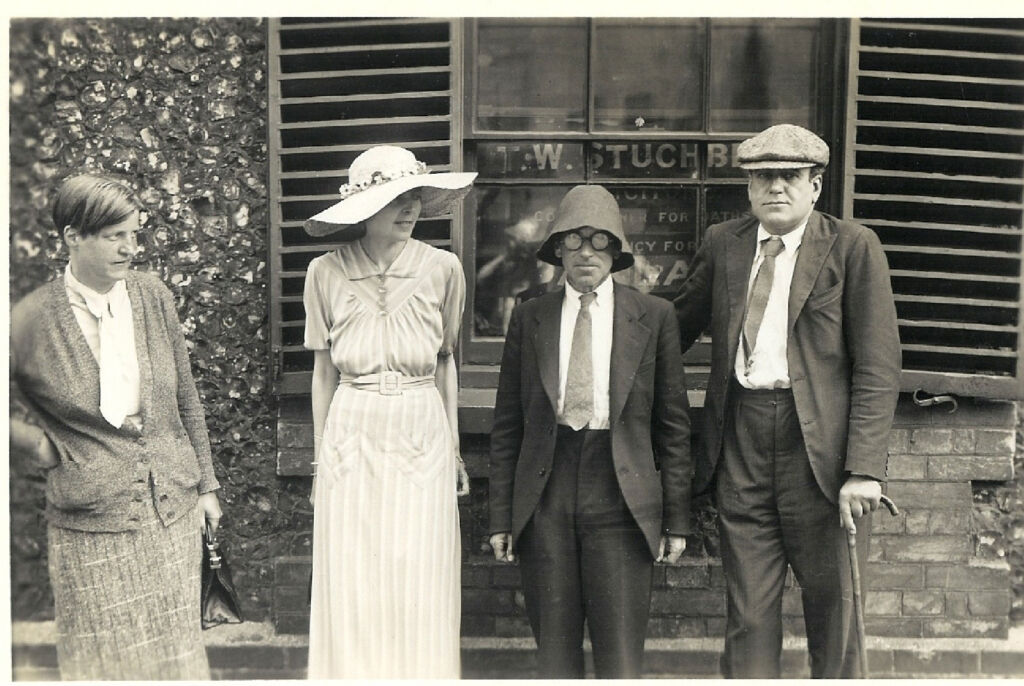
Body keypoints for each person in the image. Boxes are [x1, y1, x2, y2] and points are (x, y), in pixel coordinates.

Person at [673, 124, 901, 678]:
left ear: (815, 185)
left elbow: (877, 364)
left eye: (789, 177)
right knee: (748, 614)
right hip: (741, 445)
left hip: (820, 455)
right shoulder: (724, 244)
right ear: (749, 187)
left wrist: (864, 469)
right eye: (762, 178)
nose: (775, 188)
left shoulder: (851, 246)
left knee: (836, 614)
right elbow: (672, 328)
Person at [9, 173, 223, 680]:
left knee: (174, 660)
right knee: (102, 663)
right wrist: (36, 444)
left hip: (170, 511)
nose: (131, 248)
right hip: (89, 525)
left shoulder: (153, 297)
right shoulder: (32, 317)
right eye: (114, 236)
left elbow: (185, 397)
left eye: (135, 233)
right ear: (72, 237)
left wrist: (207, 485)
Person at [488, 184, 692, 678]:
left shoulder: (654, 316)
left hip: (621, 494)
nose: (586, 253)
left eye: (600, 241)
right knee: (554, 652)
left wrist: (677, 520)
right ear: (557, 249)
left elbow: (673, 426)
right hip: (547, 492)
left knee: (619, 653)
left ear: (617, 252)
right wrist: (501, 517)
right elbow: (507, 425)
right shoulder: (530, 315)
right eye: (574, 241)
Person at [301, 145, 476, 678]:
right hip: (352, 429)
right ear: (364, 209)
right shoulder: (323, 273)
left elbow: (446, 362)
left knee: (418, 565)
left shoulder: (443, 269)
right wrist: (318, 460)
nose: (410, 209)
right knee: (354, 569)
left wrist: (454, 448)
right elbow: (323, 373)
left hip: (421, 427)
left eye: (415, 197)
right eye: (395, 199)